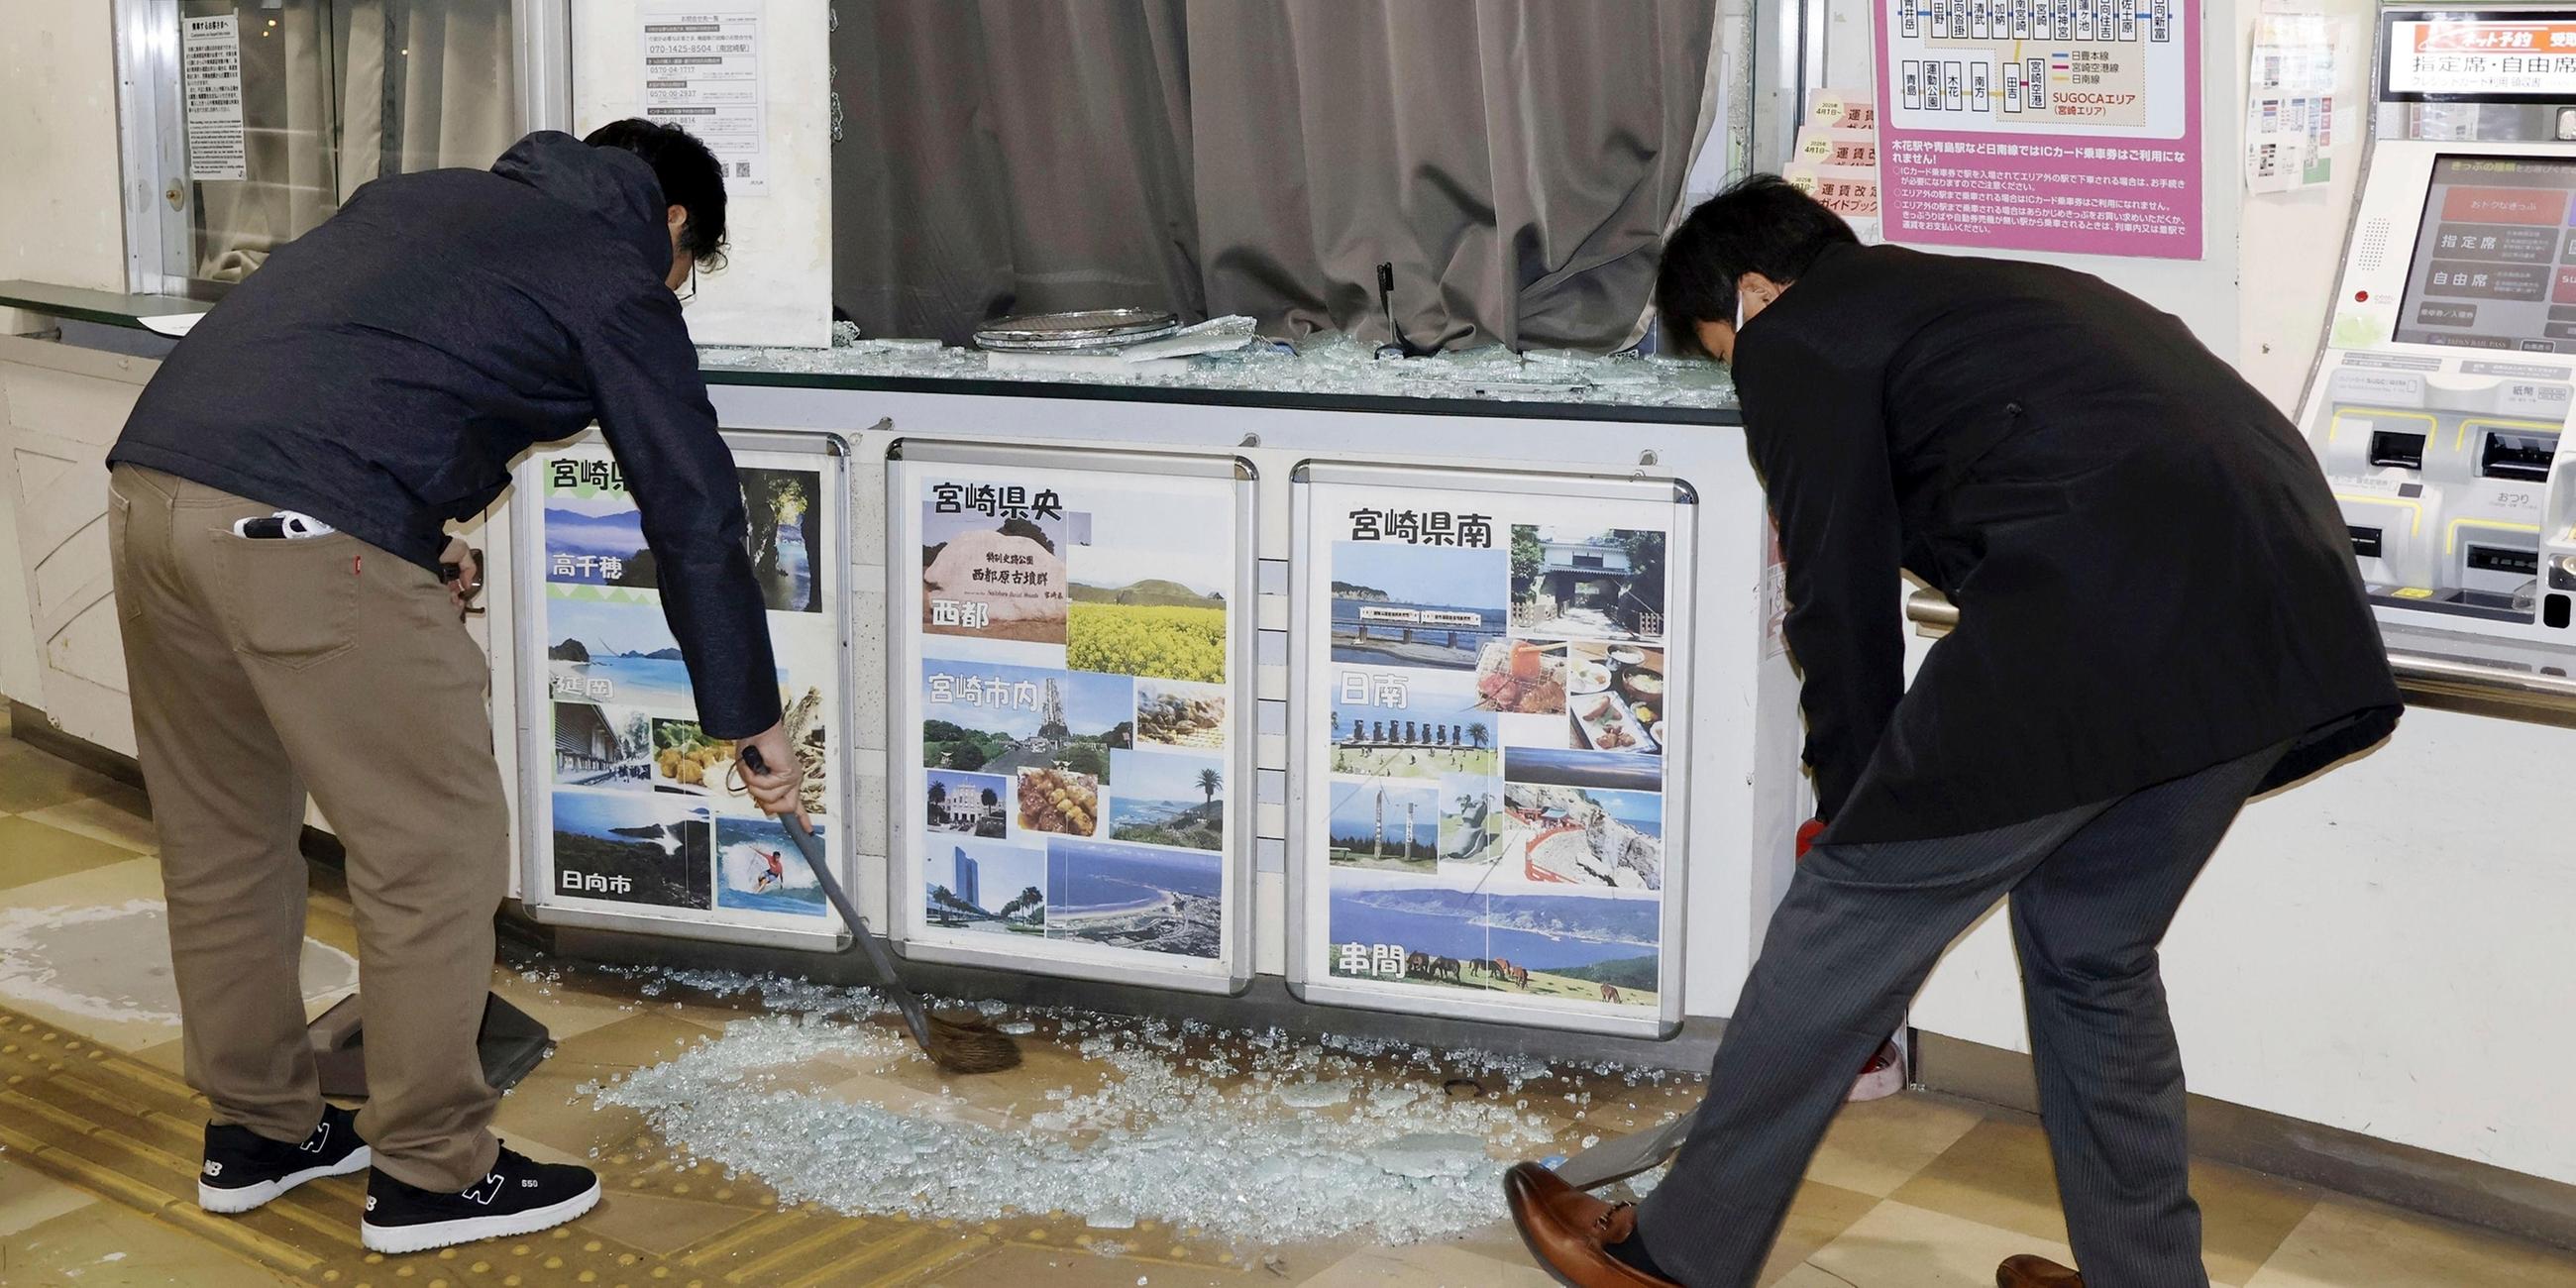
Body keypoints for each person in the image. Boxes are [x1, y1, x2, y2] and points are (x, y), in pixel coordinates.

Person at [1504, 176, 2402, 1288]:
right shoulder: (1994, 294)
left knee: (1840, 914)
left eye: (1725, 355)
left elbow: (1832, 597)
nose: (1747, 381)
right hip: (2281, 629)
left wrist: (1853, 813)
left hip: (2103, 617)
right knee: (2088, 948)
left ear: (1751, 294)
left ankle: (1676, 1256)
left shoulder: (1798, 336)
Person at [105, 120, 806, 1256]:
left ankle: (263, 1131)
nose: (674, 289)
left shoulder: (417, 200)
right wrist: (747, 714)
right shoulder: (611, 270)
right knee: (435, 850)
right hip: (299, 532)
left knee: (222, 840)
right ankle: (433, 1168)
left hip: (152, 501)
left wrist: (403, 534)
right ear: (671, 223)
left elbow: (354, 372)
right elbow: (689, 507)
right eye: (688, 270)